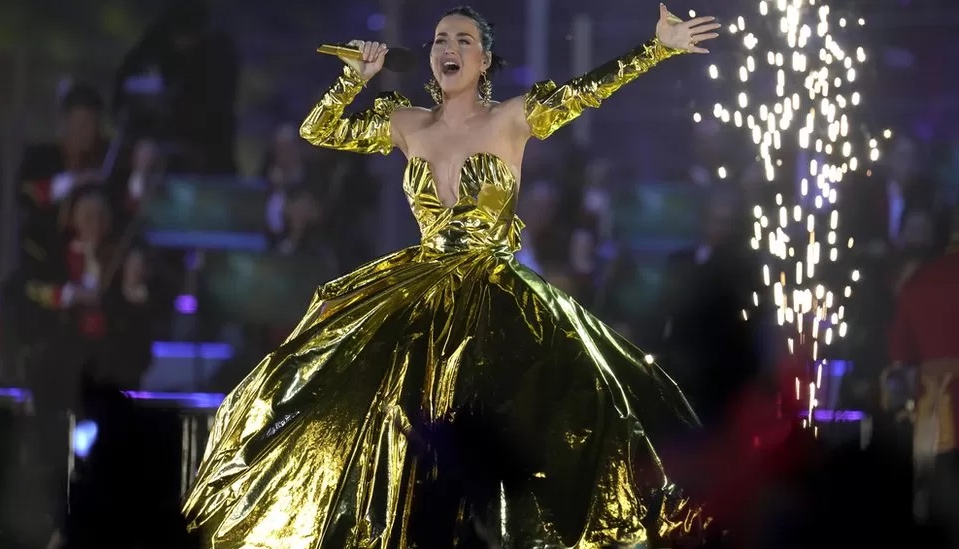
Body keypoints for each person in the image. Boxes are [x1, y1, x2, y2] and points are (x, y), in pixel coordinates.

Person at [183, 5, 719, 547]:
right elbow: (318, 129)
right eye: (441, 39)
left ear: (484, 60)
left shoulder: (510, 118)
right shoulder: (408, 122)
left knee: (527, 412)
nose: (448, 49)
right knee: (360, 405)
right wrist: (355, 78)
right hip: (419, 288)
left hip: (494, 294)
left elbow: (587, 91)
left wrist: (657, 48)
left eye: (463, 40)